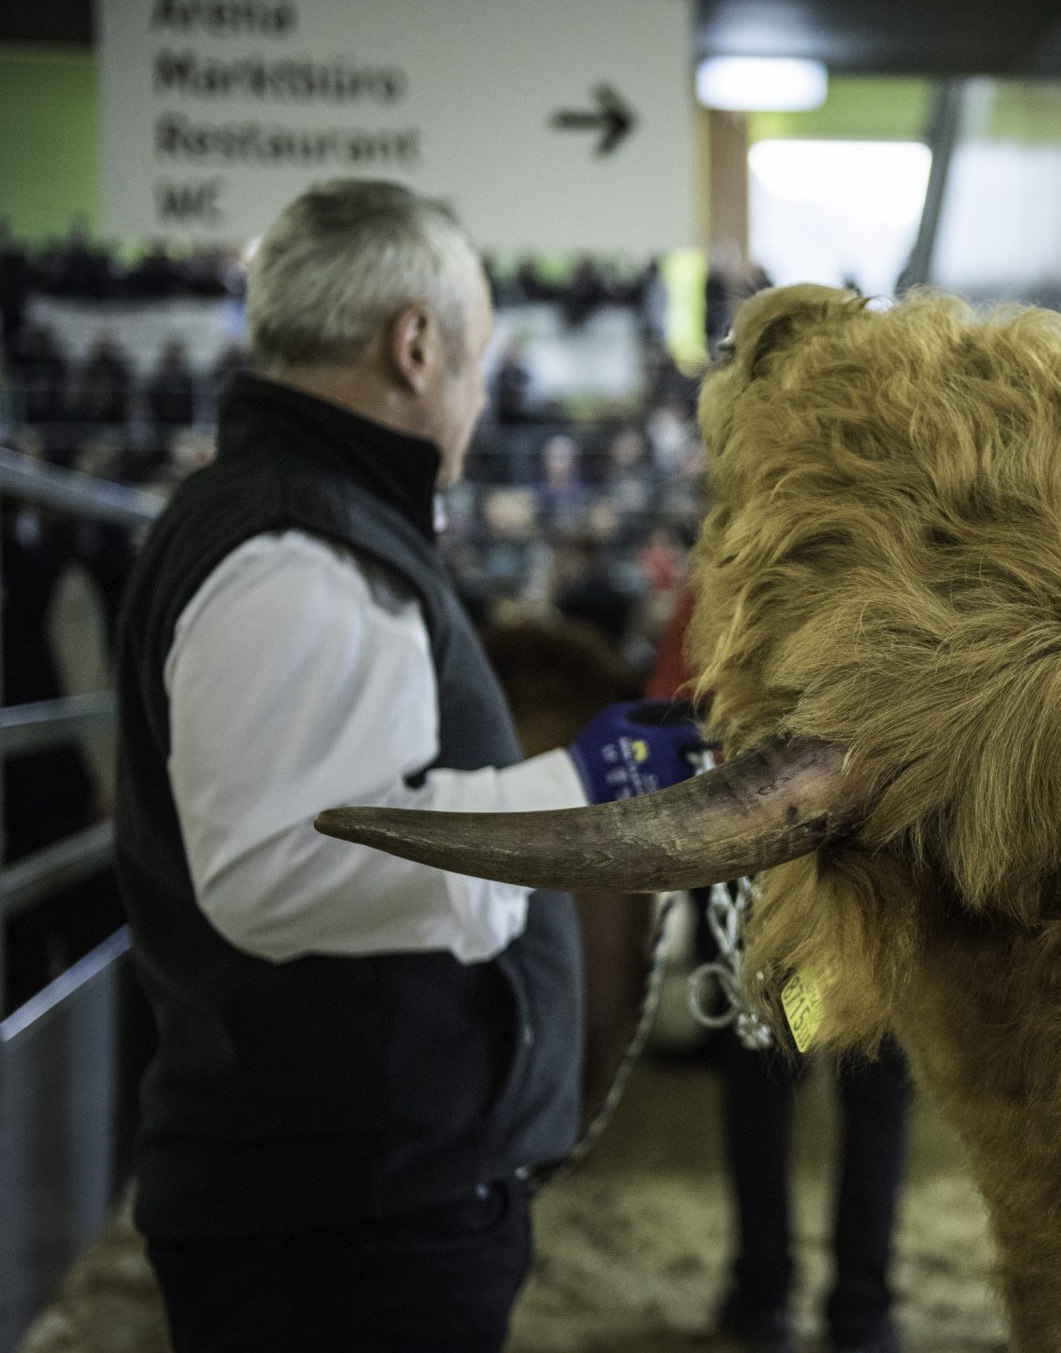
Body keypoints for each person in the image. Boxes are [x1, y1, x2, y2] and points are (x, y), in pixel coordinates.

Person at [112, 178, 698, 1353]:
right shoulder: (295, 544)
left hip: (351, 1192)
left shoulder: (310, 518)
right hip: (346, 1215)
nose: (481, 398)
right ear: (416, 344)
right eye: (477, 358)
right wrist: (584, 785)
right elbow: (280, 868)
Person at [644, 591, 913, 1353]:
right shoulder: (880, 560)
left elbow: (673, 699)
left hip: (822, 872)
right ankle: (847, 1308)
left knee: (806, 1082)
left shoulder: (735, 573)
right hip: (816, 872)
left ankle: (779, 1298)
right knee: (831, 1085)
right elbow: (676, 703)